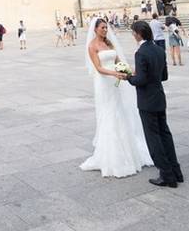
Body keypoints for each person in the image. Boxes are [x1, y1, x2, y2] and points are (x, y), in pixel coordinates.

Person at [78, 18, 154, 178]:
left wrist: (130, 71)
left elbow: (119, 61)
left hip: (116, 79)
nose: (105, 30)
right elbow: (98, 68)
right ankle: (112, 156)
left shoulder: (109, 43)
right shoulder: (92, 46)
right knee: (109, 113)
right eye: (103, 27)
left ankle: (126, 150)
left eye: (106, 27)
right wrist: (114, 73)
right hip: (104, 82)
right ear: (95, 29)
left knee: (120, 111)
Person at [124, 20, 182, 188]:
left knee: (153, 138)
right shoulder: (158, 49)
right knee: (165, 134)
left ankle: (166, 175)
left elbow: (140, 80)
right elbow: (164, 76)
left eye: (133, 33)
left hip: (147, 101)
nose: (133, 35)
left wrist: (128, 77)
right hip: (159, 97)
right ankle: (176, 171)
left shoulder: (140, 53)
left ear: (138, 34)